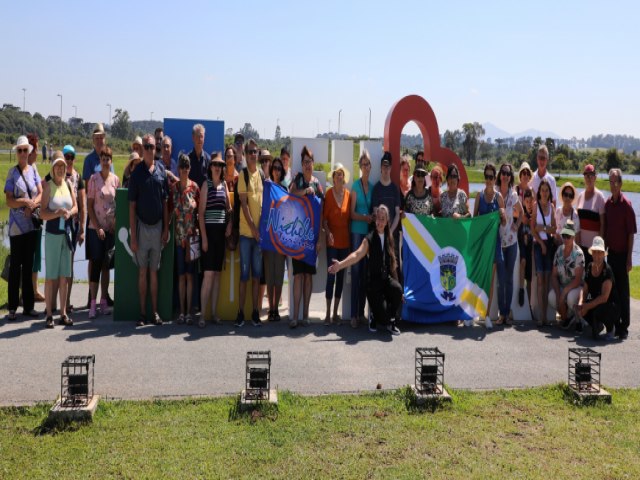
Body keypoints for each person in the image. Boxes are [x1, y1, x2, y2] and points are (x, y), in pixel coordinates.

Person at [328, 205, 402, 335]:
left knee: (398, 290)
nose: (379, 222)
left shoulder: (389, 238)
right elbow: (356, 255)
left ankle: (391, 322)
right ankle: (374, 315)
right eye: (378, 218)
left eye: (382, 219)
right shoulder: (369, 238)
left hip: (386, 280)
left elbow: (393, 265)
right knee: (382, 319)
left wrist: (397, 286)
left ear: (387, 221)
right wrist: (340, 265)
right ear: (375, 220)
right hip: (373, 283)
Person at [129, 134, 169, 326]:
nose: (149, 150)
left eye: (152, 146)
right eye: (146, 146)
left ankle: (154, 313)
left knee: (154, 272)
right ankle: (143, 314)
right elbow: (131, 206)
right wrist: (133, 237)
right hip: (142, 228)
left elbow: (165, 202)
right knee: (143, 272)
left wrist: (166, 228)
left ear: (156, 148)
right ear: (142, 149)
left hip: (158, 227)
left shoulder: (162, 170)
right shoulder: (136, 174)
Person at [4, 136, 42, 321]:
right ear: (16, 152)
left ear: (29, 151)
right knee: (15, 268)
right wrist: (24, 202)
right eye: (19, 150)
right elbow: (9, 200)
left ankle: (28, 306)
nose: (22, 153)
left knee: (28, 267)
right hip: (16, 229)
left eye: (25, 150)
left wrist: (32, 204)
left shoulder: (34, 171)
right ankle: (12, 307)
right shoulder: (12, 173)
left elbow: (41, 193)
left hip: (31, 227)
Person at [40, 152, 77, 327]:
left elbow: (76, 206)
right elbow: (42, 213)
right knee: (51, 277)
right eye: (57, 166)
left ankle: (63, 313)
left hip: (67, 235)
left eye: (63, 166)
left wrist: (70, 212)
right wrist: (57, 213)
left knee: (64, 276)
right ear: (53, 168)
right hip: (53, 235)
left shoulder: (69, 184)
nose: (60, 169)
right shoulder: (47, 187)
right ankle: (49, 314)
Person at [288, 145, 324, 328]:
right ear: (301, 165)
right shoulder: (297, 179)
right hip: (296, 237)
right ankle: (294, 317)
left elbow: (322, 212)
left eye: (309, 161)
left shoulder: (318, 184)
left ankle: (305, 316)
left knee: (308, 277)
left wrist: (319, 239)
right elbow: (290, 194)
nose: (307, 165)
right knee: (298, 276)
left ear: (313, 163)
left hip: (311, 239)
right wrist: (304, 192)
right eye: (304, 162)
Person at [86, 147, 119, 319]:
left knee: (107, 266)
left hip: (110, 230)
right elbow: (90, 206)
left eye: (108, 159)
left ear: (111, 161)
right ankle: (92, 303)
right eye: (103, 158)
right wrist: (97, 226)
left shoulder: (116, 180)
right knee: (96, 265)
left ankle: (104, 301)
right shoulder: (93, 179)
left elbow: (118, 205)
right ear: (100, 161)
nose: (105, 161)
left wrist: (114, 223)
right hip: (95, 229)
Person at [604, 168, 636, 340]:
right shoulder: (608, 205)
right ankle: (615, 323)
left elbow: (631, 233)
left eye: (616, 182)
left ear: (621, 184)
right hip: (611, 254)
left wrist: (630, 257)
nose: (614, 185)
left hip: (623, 254)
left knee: (623, 291)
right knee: (613, 290)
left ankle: (624, 326)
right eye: (611, 182)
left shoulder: (627, 206)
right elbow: (607, 230)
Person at [199, 153, 231, 327]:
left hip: (220, 236)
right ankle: (203, 315)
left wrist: (229, 224)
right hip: (209, 235)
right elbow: (201, 214)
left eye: (220, 165)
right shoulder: (206, 185)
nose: (217, 167)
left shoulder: (224, 185)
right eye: (215, 164)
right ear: (210, 167)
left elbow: (229, 209)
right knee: (208, 275)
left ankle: (214, 313)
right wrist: (204, 238)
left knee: (217, 275)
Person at [473, 163, 506, 329]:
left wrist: (502, 214)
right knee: (478, 279)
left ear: (495, 178)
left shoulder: (499, 198)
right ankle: (472, 313)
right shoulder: (479, 196)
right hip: (481, 245)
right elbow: (475, 221)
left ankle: (485, 315)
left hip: (494, 245)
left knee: (490, 282)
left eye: (491, 177)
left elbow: (504, 223)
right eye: (486, 176)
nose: (488, 180)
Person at [235, 139, 264, 327]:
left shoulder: (261, 174)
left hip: (259, 236)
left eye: (255, 152)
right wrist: (254, 229)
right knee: (244, 276)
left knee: (256, 276)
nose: (253, 154)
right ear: (245, 155)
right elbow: (244, 205)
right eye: (250, 152)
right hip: (246, 234)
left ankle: (254, 312)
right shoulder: (243, 175)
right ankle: (240, 313)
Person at [171, 154, 200, 325]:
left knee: (190, 276)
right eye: (181, 166)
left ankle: (189, 312)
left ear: (189, 169)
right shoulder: (173, 189)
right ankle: (182, 312)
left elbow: (199, 213)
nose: (184, 169)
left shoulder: (195, 188)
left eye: (186, 166)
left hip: (191, 239)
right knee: (181, 276)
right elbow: (168, 211)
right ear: (178, 169)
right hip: (178, 239)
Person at [57, 145, 85, 312]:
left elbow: (82, 205)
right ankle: (55, 304)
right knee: (56, 266)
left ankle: (66, 302)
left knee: (69, 265)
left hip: (72, 226)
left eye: (71, 157)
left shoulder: (78, 177)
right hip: (56, 226)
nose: (68, 160)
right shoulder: (54, 175)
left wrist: (82, 228)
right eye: (66, 157)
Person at [495, 163, 523, 325]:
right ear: (500, 175)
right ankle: (501, 313)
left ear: (511, 177)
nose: (505, 176)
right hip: (499, 241)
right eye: (503, 173)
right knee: (501, 279)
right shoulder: (496, 194)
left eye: (508, 173)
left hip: (512, 242)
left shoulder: (513, 195)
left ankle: (506, 313)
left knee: (509, 279)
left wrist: (517, 225)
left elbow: (522, 213)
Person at [323, 163, 351, 326]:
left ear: (343, 177)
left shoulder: (348, 194)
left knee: (340, 279)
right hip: (332, 244)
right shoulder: (328, 194)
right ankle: (327, 314)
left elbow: (349, 220)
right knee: (330, 278)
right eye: (336, 174)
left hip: (345, 244)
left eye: (341, 174)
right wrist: (328, 233)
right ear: (333, 178)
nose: (339, 176)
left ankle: (335, 313)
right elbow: (324, 220)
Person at [576, 236, 620, 341]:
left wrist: (588, 306)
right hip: (597, 302)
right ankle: (597, 325)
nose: (597, 255)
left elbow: (604, 297)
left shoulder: (607, 271)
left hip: (611, 305)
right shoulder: (589, 267)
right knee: (583, 310)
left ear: (603, 254)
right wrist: (581, 303)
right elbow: (585, 289)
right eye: (595, 252)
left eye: (600, 252)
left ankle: (610, 329)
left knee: (597, 310)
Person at [349, 149, 374, 329]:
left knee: (365, 274)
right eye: (363, 164)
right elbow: (351, 213)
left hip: (368, 234)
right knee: (356, 273)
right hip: (357, 232)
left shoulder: (372, 187)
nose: (366, 167)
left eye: (368, 164)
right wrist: (364, 218)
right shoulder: (355, 187)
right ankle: (353, 315)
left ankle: (362, 313)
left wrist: (371, 218)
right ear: (360, 167)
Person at [372, 152, 402, 281]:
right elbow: (375, 213)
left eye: (388, 166)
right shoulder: (376, 189)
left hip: (392, 236)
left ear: (391, 168)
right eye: (383, 166)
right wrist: (383, 229)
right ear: (380, 168)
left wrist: (390, 230)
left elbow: (397, 214)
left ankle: (396, 298)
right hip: (379, 235)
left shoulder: (395, 189)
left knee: (394, 267)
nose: (386, 169)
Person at [548, 220, 584, 329]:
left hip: (576, 288)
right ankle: (567, 317)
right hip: (563, 286)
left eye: (569, 236)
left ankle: (574, 316)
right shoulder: (559, 251)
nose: (566, 239)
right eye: (564, 236)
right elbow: (553, 275)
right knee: (552, 297)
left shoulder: (578, 254)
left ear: (573, 236)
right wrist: (559, 294)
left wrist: (563, 293)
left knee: (570, 298)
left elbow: (578, 280)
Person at [264, 157, 287, 322]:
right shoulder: (266, 186)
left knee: (278, 276)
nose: (277, 171)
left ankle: (275, 310)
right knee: (269, 276)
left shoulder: (285, 189)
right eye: (275, 168)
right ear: (271, 169)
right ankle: (270, 307)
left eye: (280, 168)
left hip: (280, 238)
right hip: (267, 236)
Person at [532, 179, 557, 327]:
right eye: (542, 190)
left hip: (549, 245)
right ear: (539, 192)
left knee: (547, 280)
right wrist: (541, 243)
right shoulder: (535, 206)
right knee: (540, 279)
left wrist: (544, 228)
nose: (544, 193)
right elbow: (533, 228)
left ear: (549, 192)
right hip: (538, 245)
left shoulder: (552, 207)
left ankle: (546, 316)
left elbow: (554, 228)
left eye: (547, 190)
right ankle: (541, 316)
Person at [26, 133, 45, 302]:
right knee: (27, 257)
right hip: (25, 220)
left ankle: (34, 289)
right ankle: (26, 292)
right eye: (36, 149)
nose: (38, 152)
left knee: (35, 256)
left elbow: (41, 190)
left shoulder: (34, 168)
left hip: (36, 218)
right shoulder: (23, 169)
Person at [576, 164, 606, 266]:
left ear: (595, 177)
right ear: (584, 177)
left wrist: (599, 248)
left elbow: (602, 224)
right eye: (586, 175)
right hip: (581, 247)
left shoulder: (600, 197)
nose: (589, 178)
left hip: (594, 249)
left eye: (591, 175)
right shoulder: (580, 197)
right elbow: (577, 223)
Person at [515, 162, 533, 307]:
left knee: (529, 263)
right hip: (517, 229)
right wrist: (522, 217)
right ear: (520, 175)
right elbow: (512, 210)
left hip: (530, 230)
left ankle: (529, 296)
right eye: (523, 173)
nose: (526, 175)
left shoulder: (532, 191)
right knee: (522, 261)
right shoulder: (515, 190)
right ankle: (521, 290)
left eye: (528, 173)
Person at [257, 150, 272, 313]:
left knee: (269, 268)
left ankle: (272, 303)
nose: (265, 163)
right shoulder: (257, 178)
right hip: (259, 228)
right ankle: (259, 305)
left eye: (267, 160)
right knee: (260, 269)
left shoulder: (275, 181)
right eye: (263, 160)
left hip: (271, 230)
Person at [517, 186, 535, 312]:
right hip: (522, 244)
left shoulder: (536, 215)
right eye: (526, 202)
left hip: (531, 246)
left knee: (530, 277)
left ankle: (529, 305)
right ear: (523, 202)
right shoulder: (521, 214)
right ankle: (520, 289)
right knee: (522, 262)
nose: (529, 204)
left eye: (531, 202)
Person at [554, 182, 581, 257]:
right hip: (558, 251)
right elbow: (555, 230)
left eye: (570, 196)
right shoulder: (558, 211)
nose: (568, 198)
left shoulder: (575, 216)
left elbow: (578, 240)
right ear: (562, 196)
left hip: (570, 254)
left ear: (573, 198)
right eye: (566, 195)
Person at [188, 124, 210, 188]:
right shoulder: (188, 159)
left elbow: (211, 182)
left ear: (204, 138)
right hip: (190, 196)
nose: (199, 139)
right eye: (197, 136)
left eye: (201, 136)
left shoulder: (208, 160)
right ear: (193, 137)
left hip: (204, 196)